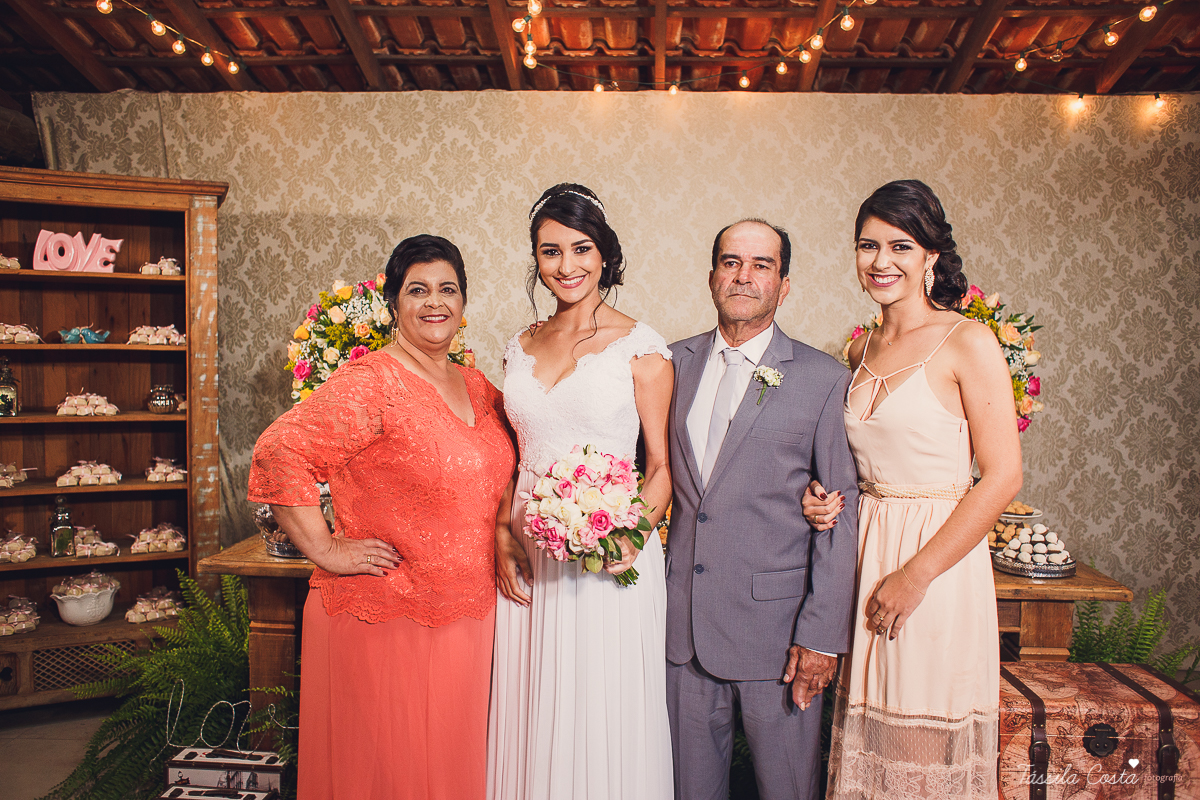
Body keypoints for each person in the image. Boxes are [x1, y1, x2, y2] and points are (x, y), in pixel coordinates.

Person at [247, 234, 516, 800]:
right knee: (390, 776)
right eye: (417, 290)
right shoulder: (373, 382)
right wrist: (325, 549)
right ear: (394, 304)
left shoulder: (473, 381)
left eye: (447, 289)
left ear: (464, 303)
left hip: (468, 617)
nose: (434, 302)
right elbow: (279, 451)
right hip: (388, 617)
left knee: (451, 772)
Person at [805, 179, 1023, 799]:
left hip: (934, 561)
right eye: (867, 246)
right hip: (866, 548)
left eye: (900, 247)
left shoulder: (968, 342)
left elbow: (1005, 475)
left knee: (920, 740)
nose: (880, 262)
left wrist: (917, 574)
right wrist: (822, 497)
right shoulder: (857, 346)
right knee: (872, 739)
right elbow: (852, 462)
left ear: (931, 257)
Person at [488, 183, 675, 800]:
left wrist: (630, 534)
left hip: (607, 556)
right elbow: (510, 459)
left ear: (605, 255)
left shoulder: (642, 349)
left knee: (600, 707)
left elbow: (661, 472)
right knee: (534, 705)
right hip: (531, 556)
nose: (566, 266)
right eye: (550, 251)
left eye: (581, 248)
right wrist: (501, 532)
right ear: (536, 259)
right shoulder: (518, 345)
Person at [665, 219, 861, 800]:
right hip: (685, 630)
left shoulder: (824, 380)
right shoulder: (669, 365)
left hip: (779, 639)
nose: (743, 276)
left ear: (784, 284)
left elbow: (839, 514)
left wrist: (822, 637)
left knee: (787, 790)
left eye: (761, 265)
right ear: (711, 276)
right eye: (731, 262)